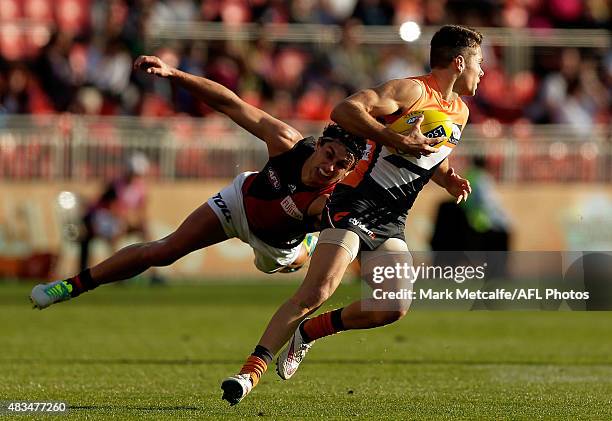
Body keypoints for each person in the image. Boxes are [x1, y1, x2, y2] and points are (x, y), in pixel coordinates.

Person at [222, 25, 482, 405]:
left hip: (392, 218)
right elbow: (344, 110)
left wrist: (448, 178)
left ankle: (309, 333)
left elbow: (430, 152)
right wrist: (394, 137)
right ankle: (248, 375)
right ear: (459, 63)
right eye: (480, 63)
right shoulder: (412, 91)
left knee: (393, 306)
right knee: (317, 291)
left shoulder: (460, 111)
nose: (483, 72)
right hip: (355, 201)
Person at [30, 55, 367, 310]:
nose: (331, 167)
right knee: (164, 251)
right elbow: (229, 103)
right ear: (321, 145)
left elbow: (353, 230)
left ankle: (302, 250)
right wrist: (173, 73)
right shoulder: (287, 141)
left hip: (276, 246)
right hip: (239, 202)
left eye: (341, 165)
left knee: (289, 263)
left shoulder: (334, 194)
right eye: (329, 155)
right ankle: (71, 286)